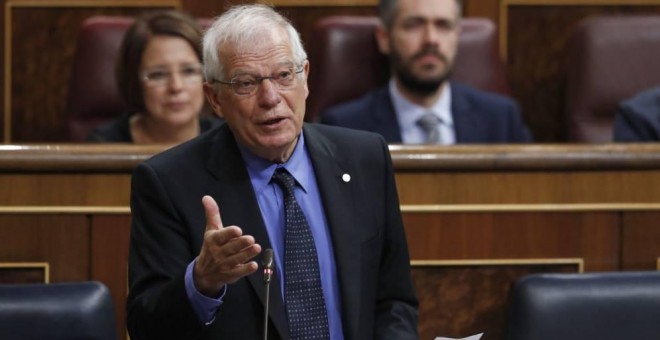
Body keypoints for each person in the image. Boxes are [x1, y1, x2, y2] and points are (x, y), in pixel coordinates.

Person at [127, 4, 419, 340]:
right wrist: (202, 281)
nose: (270, 98)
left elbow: (394, 300)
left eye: (283, 76)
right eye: (246, 83)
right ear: (216, 98)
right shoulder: (168, 182)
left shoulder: (364, 158)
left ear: (305, 77)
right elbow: (145, 326)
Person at [320, 0, 532, 144]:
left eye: (443, 25)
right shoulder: (344, 128)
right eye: (414, 25)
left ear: (457, 36)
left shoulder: (502, 120)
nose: (431, 39)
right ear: (384, 38)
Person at [86, 10, 222, 143]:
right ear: (134, 81)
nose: (176, 86)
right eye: (158, 75)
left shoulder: (228, 139)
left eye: (189, 71)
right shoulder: (104, 144)